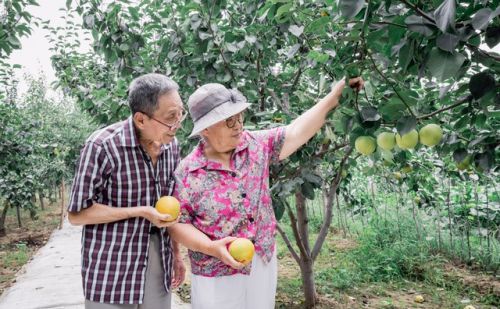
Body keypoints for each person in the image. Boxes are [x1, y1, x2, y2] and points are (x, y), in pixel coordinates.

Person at [168, 77, 364, 309]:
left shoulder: (255, 145)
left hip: (261, 261)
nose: (238, 125)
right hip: (215, 272)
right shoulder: (187, 172)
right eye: (229, 121)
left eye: (239, 117)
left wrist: (335, 95)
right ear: (206, 128)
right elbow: (177, 223)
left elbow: (296, 131)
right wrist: (213, 248)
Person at [67, 73, 186, 308]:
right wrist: (140, 211)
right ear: (141, 119)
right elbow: (77, 214)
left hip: (157, 258)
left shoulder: (171, 147)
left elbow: (169, 201)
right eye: (170, 117)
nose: (178, 123)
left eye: (181, 113)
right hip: (112, 264)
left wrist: (176, 254)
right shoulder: (102, 146)